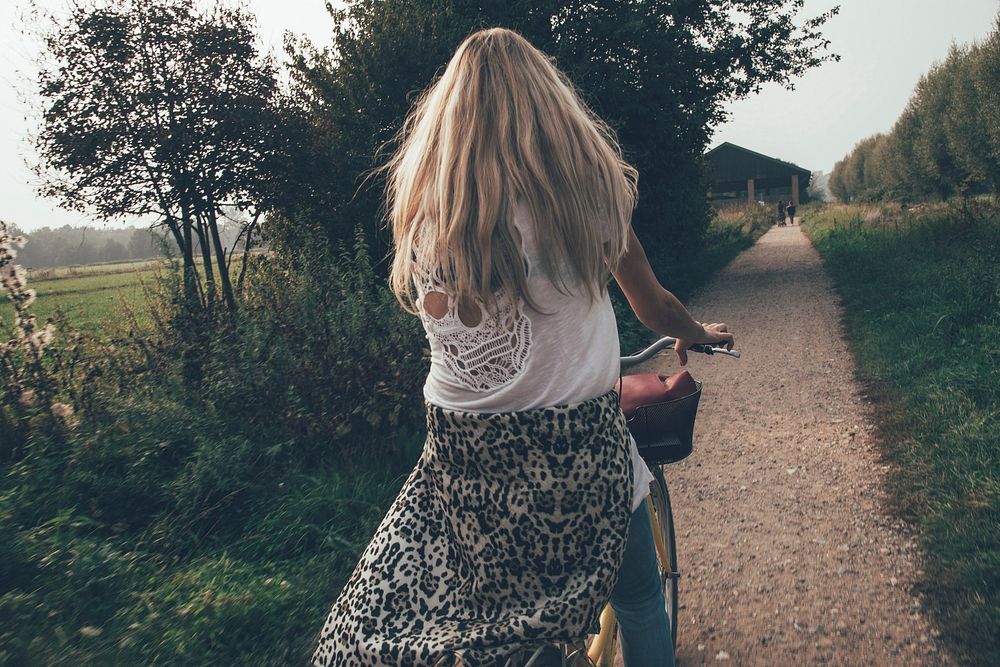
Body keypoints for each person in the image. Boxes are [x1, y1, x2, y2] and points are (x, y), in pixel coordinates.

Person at [310, 27, 734, 667]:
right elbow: (656, 306)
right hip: (577, 453)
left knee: (437, 623)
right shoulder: (586, 198)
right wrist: (695, 332)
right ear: (549, 107)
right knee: (643, 601)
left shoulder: (431, 218)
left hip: (464, 460)